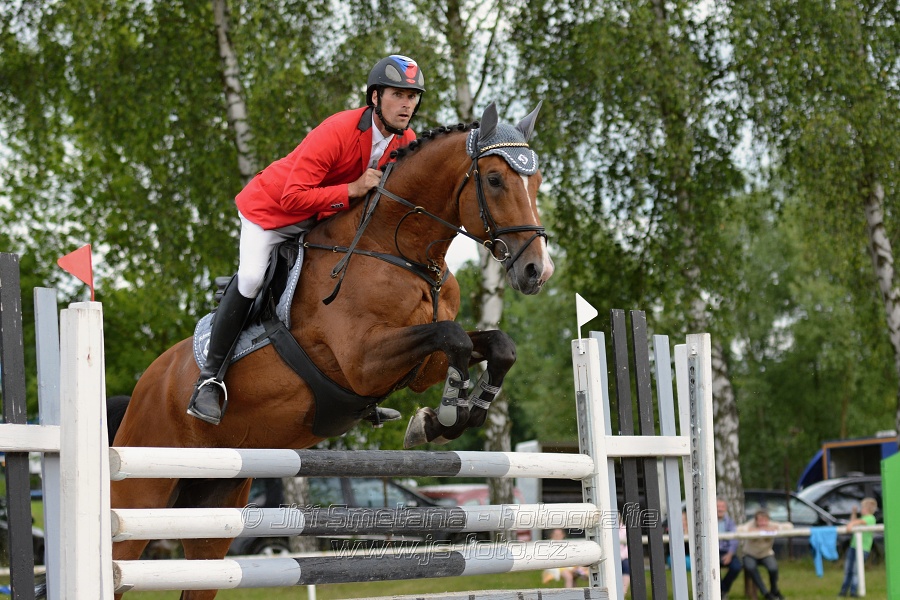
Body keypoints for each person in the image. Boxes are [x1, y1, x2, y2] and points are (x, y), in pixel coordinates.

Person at [187, 55, 426, 425]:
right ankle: (210, 380)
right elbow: (292, 197)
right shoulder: (338, 130)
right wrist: (352, 188)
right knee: (251, 278)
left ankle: (358, 387)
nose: (407, 104)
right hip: (272, 214)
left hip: (320, 224)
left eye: (413, 96)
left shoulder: (405, 141)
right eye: (399, 94)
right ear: (375, 97)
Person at [739, 509, 792, 600]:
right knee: (750, 567)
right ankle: (766, 593)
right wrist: (755, 530)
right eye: (760, 520)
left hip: (766, 554)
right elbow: (740, 529)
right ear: (756, 520)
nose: (763, 523)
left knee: (773, 568)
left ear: (768, 520)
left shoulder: (771, 524)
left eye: (765, 520)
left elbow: (789, 526)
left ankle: (774, 590)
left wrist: (776, 529)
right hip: (749, 554)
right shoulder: (751, 524)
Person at [838, 497, 878, 597]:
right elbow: (853, 521)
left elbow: (859, 523)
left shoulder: (871, 518)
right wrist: (854, 513)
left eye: (862, 507)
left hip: (863, 549)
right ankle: (843, 591)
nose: (861, 509)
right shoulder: (862, 518)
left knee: (856, 571)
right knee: (848, 570)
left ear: (867, 509)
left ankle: (853, 591)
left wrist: (852, 523)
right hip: (853, 547)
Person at [717, 497, 742, 599]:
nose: (720, 509)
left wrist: (730, 554)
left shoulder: (730, 522)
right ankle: (722, 592)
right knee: (712, 569)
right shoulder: (707, 522)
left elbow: (734, 539)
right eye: (718, 506)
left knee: (736, 567)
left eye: (722, 506)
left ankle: (723, 590)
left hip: (727, 552)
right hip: (712, 552)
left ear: (726, 508)